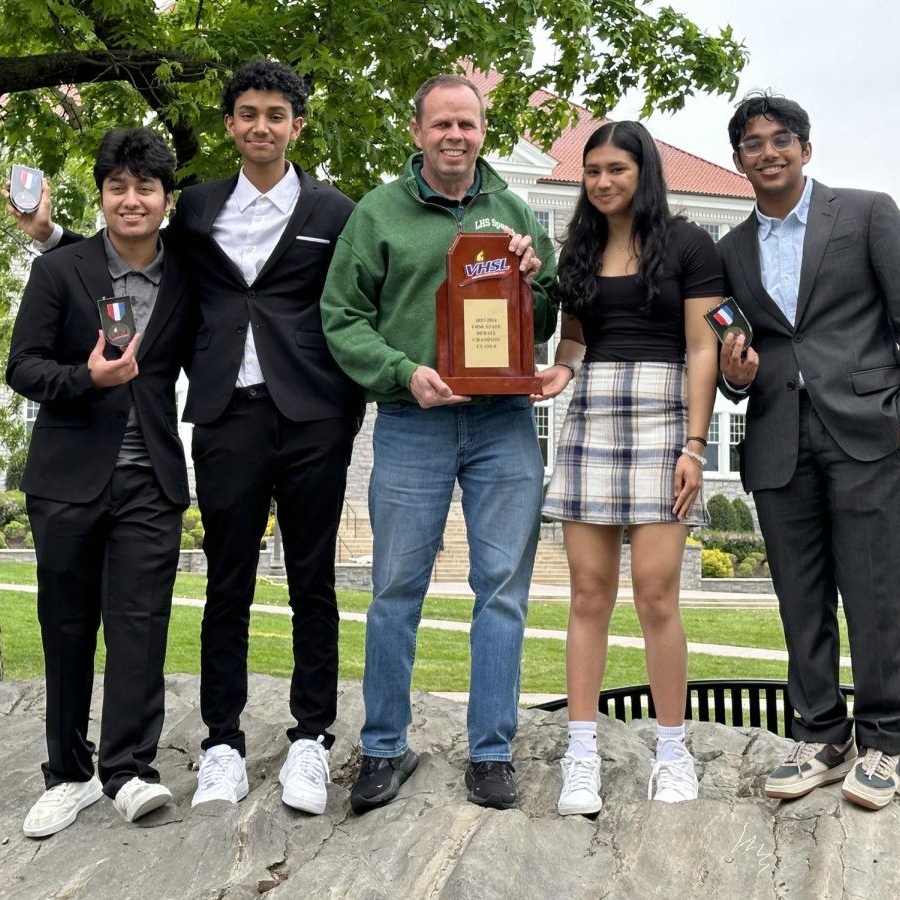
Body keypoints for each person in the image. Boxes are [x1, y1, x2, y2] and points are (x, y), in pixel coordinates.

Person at [10, 60, 362, 816]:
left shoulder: (337, 212)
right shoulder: (199, 211)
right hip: (223, 419)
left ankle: (310, 739)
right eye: (247, 113)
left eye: (277, 113)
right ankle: (220, 745)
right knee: (224, 585)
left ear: (296, 125)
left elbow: (373, 292)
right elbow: (110, 254)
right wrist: (48, 235)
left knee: (311, 582)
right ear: (230, 124)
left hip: (312, 419)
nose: (261, 125)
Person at [320, 73, 556, 812]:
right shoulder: (378, 214)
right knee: (394, 589)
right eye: (442, 124)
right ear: (417, 131)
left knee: (502, 592)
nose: (456, 136)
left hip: (502, 424)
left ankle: (491, 752)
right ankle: (384, 746)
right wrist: (401, 372)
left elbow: (542, 315)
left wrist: (534, 275)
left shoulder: (515, 210)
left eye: (469, 124)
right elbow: (341, 317)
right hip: (413, 420)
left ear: (483, 132)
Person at [716, 91, 900, 811]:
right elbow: (736, 354)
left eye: (782, 139)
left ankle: (884, 743)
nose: (769, 151)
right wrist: (734, 376)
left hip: (867, 432)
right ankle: (820, 733)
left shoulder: (868, 213)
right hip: (780, 439)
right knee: (800, 597)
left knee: (874, 592)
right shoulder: (730, 250)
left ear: (806, 149)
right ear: (739, 160)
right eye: (754, 143)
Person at [8, 128, 193, 836]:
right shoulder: (62, 272)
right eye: (118, 187)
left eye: (145, 187)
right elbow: (22, 367)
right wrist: (86, 377)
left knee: (139, 630)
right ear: (103, 197)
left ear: (165, 200)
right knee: (66, 631)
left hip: (151, 479)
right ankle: (68, 774)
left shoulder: (187, 275)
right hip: (66, 479)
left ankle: (129, 771)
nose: (131, 199)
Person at [536, 121, 720, 816]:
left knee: (655, 594)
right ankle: (579, 751)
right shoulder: (576, 246)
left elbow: (704, 347)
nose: (604, 181)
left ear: (644, 171)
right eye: (593, 171)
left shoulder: (689, 243)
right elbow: (577, 339)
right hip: (593, 417)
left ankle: (672, 750)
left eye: (617, 168)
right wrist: (559, 373)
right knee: (587, 594)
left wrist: (695, 447)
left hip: (667, 419)